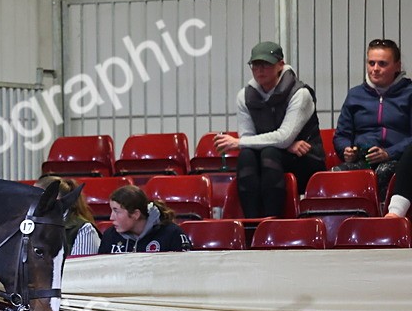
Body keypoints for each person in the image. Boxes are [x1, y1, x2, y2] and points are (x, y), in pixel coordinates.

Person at [213, 41, 325, 218]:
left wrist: (239, 142)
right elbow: (256, 137)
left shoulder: (300, 94)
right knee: (247, 155)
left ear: (280, 64)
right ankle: (252, 221)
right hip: (274, 152)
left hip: (305, 157)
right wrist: (285, 144)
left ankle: (272, 220)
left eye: (266, 64)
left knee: (269, 153)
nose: (260, 70)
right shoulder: (244, 96)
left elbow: (283, 137)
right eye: (255, 65)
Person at [332, 39, 412, 197]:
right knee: (335, 175)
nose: (375, 69)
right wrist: (346, 150)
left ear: (397, 66)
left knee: (384, 172)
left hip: (400, 160)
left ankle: (382, 219)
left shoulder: (409, 93)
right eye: (371, 63)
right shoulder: (355, 95)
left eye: (382, 64)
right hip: (362, 159)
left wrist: (389, 152)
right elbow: (342, 134)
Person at [97, 185, 191, 253]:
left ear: (135, 214)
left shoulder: (172, 234)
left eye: (116, 211)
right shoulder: (110, 236)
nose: (111, 217)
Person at [37, 176, 99, 256]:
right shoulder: (31, 224)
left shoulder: (84, 229)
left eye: (39, 197)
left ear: (57, 198)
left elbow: (81, 265)